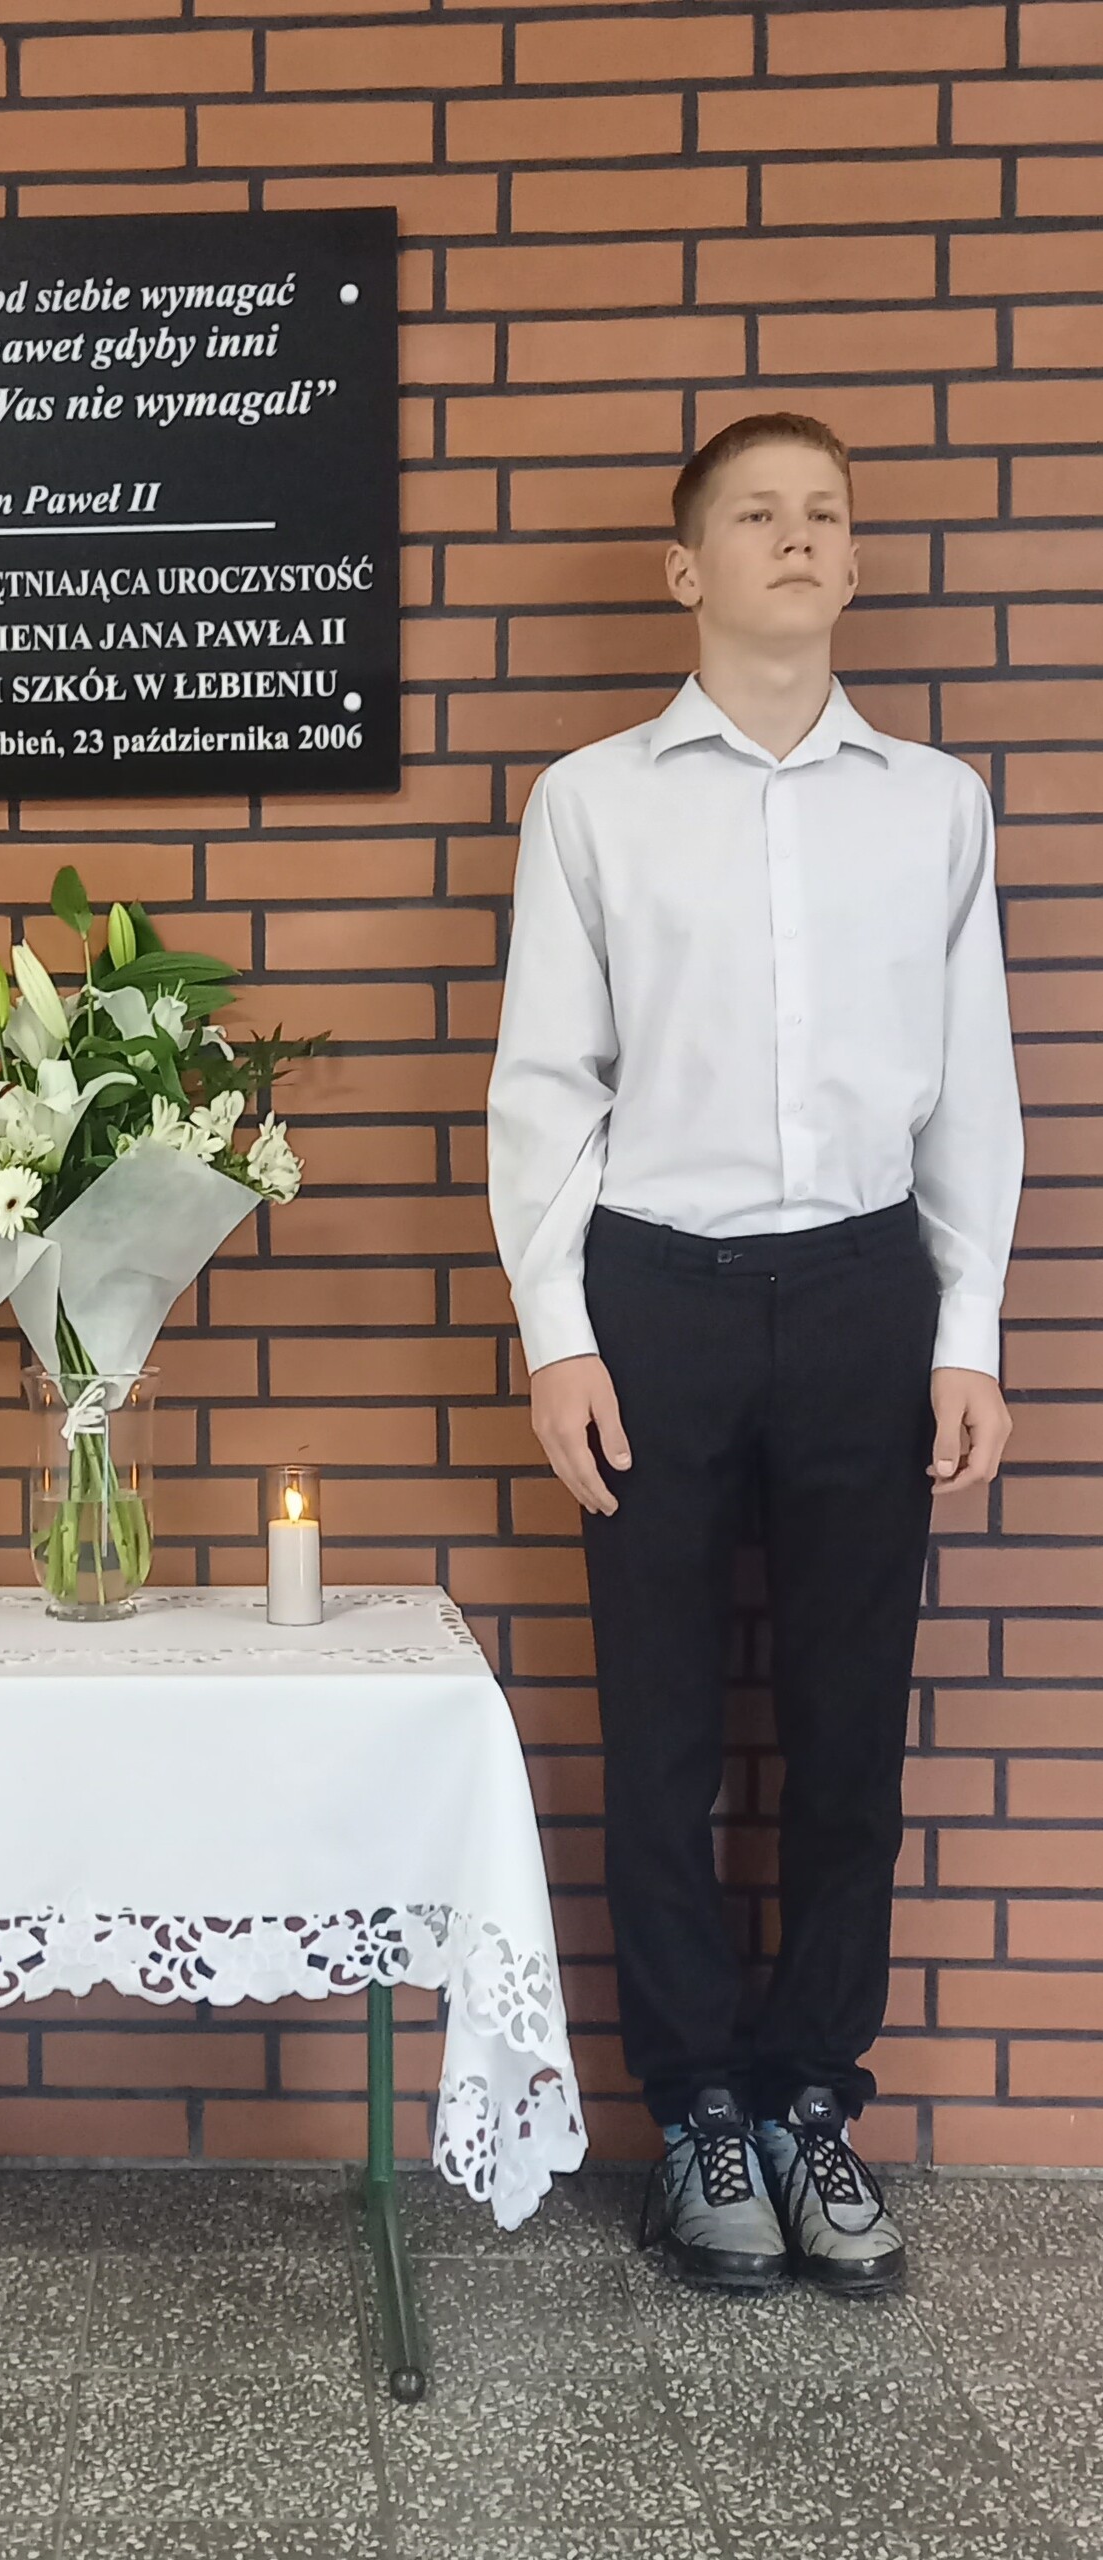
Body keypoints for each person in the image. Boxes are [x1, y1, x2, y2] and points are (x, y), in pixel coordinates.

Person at [487, 414, 1023, 2298]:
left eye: (824, 517)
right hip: (656, 1296)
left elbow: (972, 1092)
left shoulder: (932, 805)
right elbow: (542, 1087)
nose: (796, 541)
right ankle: (697, 2106)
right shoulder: (592, 802)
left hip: (866, 1295)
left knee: (846, 1732)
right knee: (658, 1736)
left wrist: (966, 1329)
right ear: (684, 570)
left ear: (853, 563)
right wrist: (557, 1335)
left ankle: (811, 2096)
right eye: (755, 517)